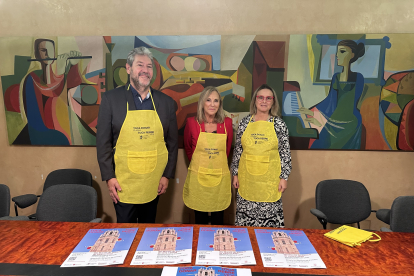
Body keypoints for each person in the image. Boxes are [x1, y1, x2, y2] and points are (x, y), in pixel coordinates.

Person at [96, 46, 178, 223]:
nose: (145, 70)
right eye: (140, 65)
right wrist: (109, 177)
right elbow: (103, 143)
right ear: (128, 68)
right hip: (124, 183)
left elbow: (172, 144)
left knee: (148, 232)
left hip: (153, 182)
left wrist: (166, 175)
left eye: (149, 66)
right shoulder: (111, 100)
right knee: (125, 234)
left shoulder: (166, 103)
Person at [231, 84, 292, 227]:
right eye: (261, 97)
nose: (264, 101)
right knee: (246, 226)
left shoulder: (279, 125)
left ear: (273, 102)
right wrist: (235, 174)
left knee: (268, 228)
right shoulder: (245, 123)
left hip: (270, 181)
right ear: (255, 100)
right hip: (247, 180)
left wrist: (284, 177)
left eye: (268, 98)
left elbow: (285, 153)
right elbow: (238, 150)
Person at [298, 40, 365, 149]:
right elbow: (330, 100)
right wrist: (311, 111)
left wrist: (321, 121)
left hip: (350, 122)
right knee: (316, 145)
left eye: (342, 51)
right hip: (335, 119)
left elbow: (348, 105)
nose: (337, 55)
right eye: (337, 52)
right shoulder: (336, 77)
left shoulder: (359, 78)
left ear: (352, 55)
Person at [183, 86, 233, 225]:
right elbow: (188, 149)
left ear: (220, 104)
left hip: (219, 178)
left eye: (216, 101)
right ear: (202, 102)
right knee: (200, 219)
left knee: (218, 219)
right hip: (198, 178)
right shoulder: (192, 123)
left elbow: (227, 150)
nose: (212, 104)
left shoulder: (227, 123)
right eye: (208, 100)